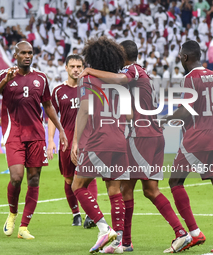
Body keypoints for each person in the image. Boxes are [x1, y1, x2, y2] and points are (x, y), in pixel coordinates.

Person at [79, 40, 192, 253]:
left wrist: (90, 70)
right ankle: (125, 242)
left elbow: (120, 79)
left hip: (141, 136)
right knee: (126, 189)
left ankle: (181, 233)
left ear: (121, 55)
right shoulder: (144, 74)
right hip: (151, 135)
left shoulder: (132, 71)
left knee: (149, 190)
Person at [0, 41, 68, 240]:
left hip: (36, 135)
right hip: (14, 134)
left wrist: (61, 130)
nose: (27, 56)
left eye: (30, 53)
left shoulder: (40, 78)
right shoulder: (4, 75)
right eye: (23, 53)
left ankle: (24, 227)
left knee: (34, 178)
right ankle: (12, 214)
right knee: (16, 177)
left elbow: (48, 105)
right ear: (15, 55)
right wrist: (4, 82)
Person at [163, 40, 213, 254]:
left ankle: (194, 232)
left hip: (199, 139)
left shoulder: (190, 79)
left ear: (184, 57)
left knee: (175, 180)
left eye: (180, 56)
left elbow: (186, 112)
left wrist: (163, 120)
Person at [70, 36, 128, 253]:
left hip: (99, 140)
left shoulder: (87, 79)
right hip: (119, 139)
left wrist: (76, 140)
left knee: (78, 186)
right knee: (114, 190)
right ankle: (118, 243)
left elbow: (84, 110)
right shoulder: (120, 80)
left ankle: (104, 229)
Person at [47, 54, 98, 228]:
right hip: (67, 140)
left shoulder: (90, 88)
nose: (76, 69)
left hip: (88, 138)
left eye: (79, 66)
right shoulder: (58, 90)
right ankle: (76, 213)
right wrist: (51, 141)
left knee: (90, 176)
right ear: (66, 68)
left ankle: (91, 214)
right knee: (69, 179)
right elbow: (52, 117)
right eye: (73, 66)